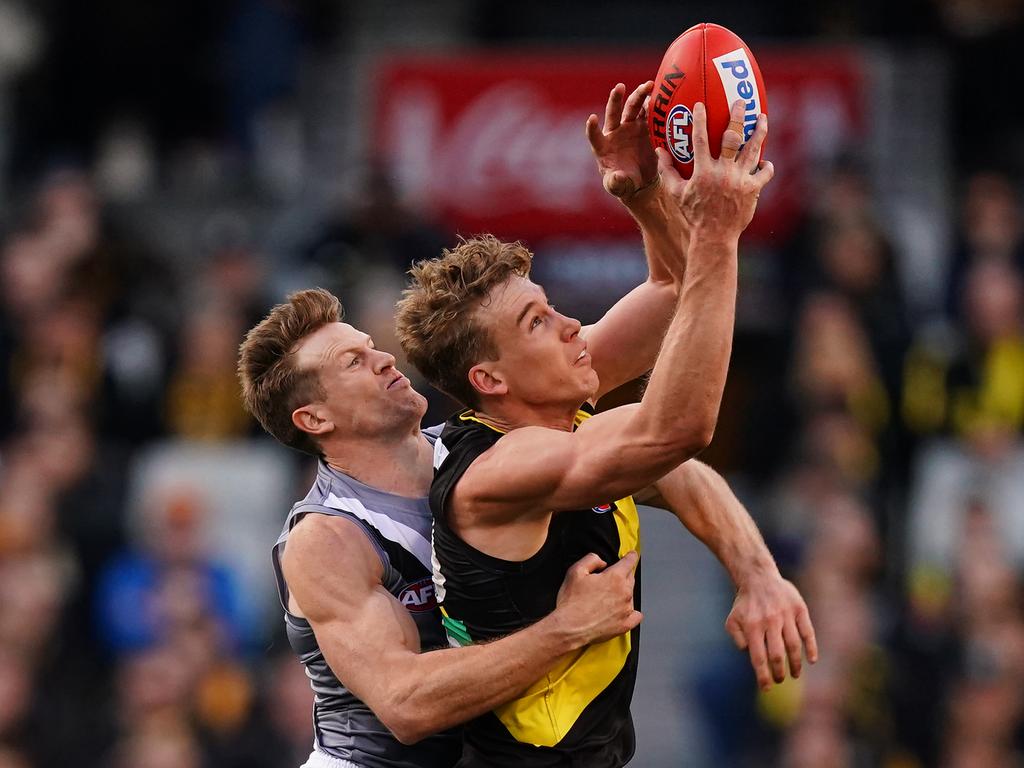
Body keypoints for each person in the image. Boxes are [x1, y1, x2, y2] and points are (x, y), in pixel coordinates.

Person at [238, 82, 706, 768]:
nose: (381, 359)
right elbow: (405, 706)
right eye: (352, 362)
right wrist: (563, 630)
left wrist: (647, 200)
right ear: (315, 417)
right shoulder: (328, 539)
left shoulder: (472, 448)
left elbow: (669, 301)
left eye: (372, 345)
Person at [394, 99, 817, 766]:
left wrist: (646, 197)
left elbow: (679, 297)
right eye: (537, 322)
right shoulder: (499, 471)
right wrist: (716, 233)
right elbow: (677, 431)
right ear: (492, 380)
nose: (569, 325)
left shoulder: (553, 404)